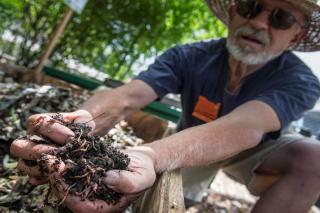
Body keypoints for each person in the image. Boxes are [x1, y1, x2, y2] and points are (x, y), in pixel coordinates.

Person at [10, 0, 320, 212]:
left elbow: (246, 127)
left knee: (313, 157)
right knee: (172, 198)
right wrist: (80, 122)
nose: (259, 23)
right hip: (190, 138)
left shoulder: (300, 81)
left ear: (297, 35)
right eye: (252, 7)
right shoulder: (190, 56)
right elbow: (129, 95)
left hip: (254, 152)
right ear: (235, 11)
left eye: (281, 18)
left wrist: (151, 155)